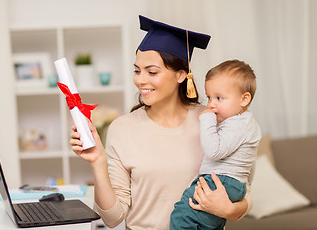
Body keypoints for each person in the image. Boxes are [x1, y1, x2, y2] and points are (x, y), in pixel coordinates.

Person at [70, 15, 252, 230]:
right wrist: (98, 162)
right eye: (137, 70)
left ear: (181, 75)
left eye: (152, 72)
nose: (140, 80)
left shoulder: (214, 121)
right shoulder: (122, 129)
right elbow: (112, 219)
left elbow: (244, 193)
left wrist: (228, 210)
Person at [170, 60, 261, 230]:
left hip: (221, 181)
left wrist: (207, 119)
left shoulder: (237, 124)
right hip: (233, 183)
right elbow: (250, 165)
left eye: (219, 98)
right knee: (208, 224)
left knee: (182, 214)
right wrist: (243, 184)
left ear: (244, 99)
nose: (211, 104)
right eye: (209, 97)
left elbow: (213, 151)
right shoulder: (246, 123)